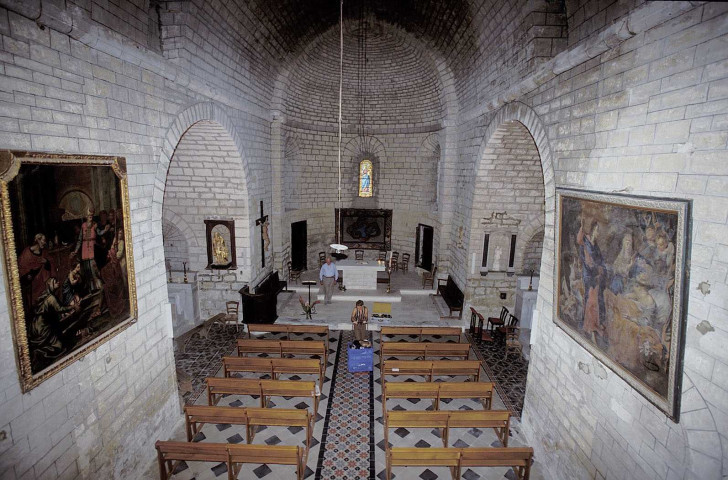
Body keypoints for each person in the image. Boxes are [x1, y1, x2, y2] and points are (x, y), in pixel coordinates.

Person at [18, 233, 52, 309]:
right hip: (31, 282)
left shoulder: (43, 252)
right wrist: (28, 275)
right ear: (38, 240)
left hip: (41, 281)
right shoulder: (27, 252)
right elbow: (21, 267)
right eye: (43, 240)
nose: (45, 242)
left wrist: (46, 262)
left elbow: (48, 265)